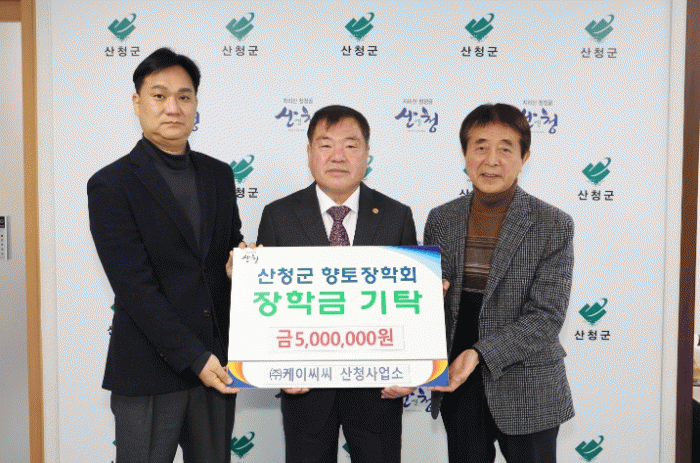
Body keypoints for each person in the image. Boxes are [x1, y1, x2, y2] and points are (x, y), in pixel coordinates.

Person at [87, 47, 243, 463]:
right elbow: (134, 288)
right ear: (137, 102)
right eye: (159, 95)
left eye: (184, 96)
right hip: (149, 370)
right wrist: (193, 356)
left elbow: (228, 248)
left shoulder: (219, 174)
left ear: (195, 104)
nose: (173, 107)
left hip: (216, 365)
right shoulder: (111, 184)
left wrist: (241, 265)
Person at [257, 105, 417, 463]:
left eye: (351, 145)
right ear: (310, 153)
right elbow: (266, 308)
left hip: (379, 391)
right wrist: (276, 367)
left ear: (367, 153)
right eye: (326, 144)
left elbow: (409, 308)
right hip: (305, 390)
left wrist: (411, 369)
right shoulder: (278, 216)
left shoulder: (396, 216)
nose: (338, 156)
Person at [424, 103, 575, 463]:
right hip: (460, 384)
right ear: (465, 154)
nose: (491, 160)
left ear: (524, 157)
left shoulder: (553, 224)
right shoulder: (441, 219)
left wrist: (479, 354)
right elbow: (430, 305)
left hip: (528, 385)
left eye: (505, 149)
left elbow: (546, 317)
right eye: (480, 147)